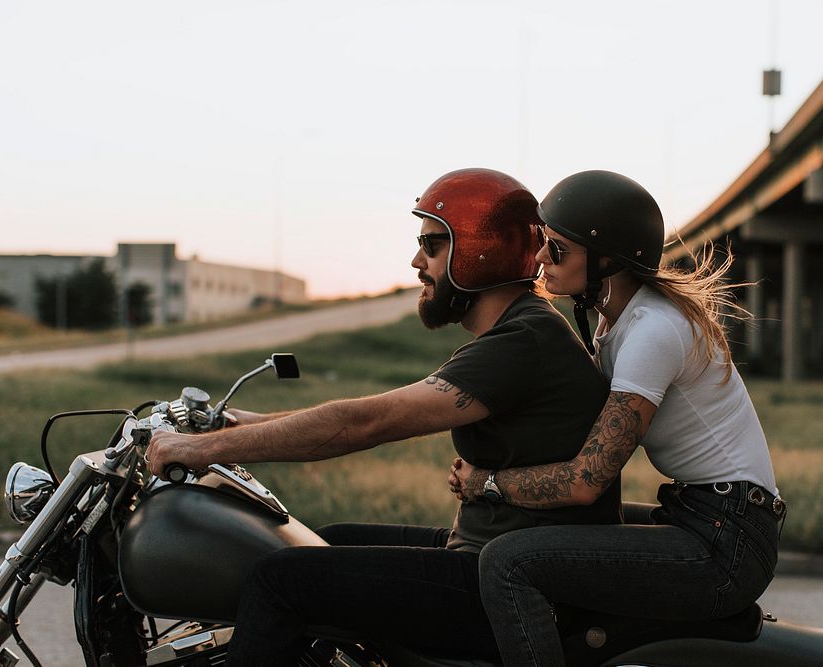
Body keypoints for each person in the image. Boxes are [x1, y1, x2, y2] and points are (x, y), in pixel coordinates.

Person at [146, 168, 621, 665]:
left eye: (433, 245)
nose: (417, 261)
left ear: (482, 250)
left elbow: (366, 422)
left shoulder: (523, 342)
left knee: (280, 578)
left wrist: (203, 449)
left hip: (507, 588)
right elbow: (370, 414)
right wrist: (241, 424)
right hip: (485, 556)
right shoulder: (524, 331)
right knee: (320, 544)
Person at [449, 170, 785, 667]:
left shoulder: (653, 331)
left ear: (607, 261)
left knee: (508, 561)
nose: (541, 257)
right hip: (703, 516)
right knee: (570, 528)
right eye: (543, 242)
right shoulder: (616, 321)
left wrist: (487, 482)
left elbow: (585, 480)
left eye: (557, 249)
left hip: (727, 541)